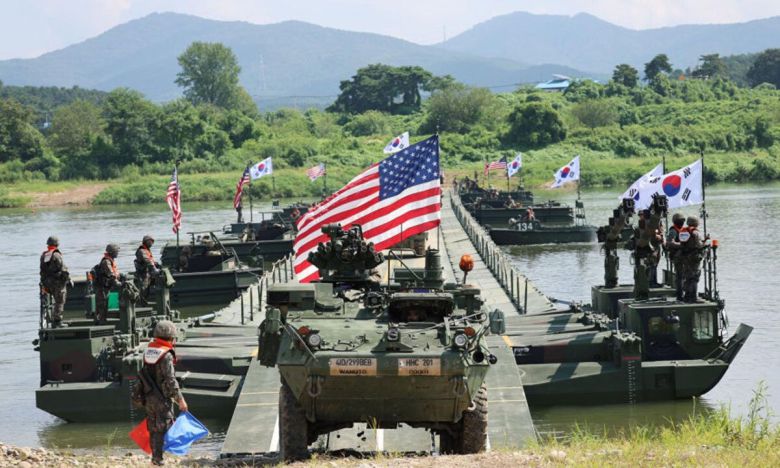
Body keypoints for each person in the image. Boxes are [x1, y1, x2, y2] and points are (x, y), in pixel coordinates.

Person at [141, 320, 188, 466]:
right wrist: (180, 400)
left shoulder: (149, 350)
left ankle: (155, 458)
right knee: (163, 426)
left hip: (148, 395)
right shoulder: (166, 355)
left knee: (154, 425)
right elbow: (170, 380)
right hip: (162, 397)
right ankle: (158, 459)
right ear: (171, 337)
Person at [39, 236, 70, 327]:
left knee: (55, 302)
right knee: (60, 301)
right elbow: (63, 269)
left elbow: (42, 270)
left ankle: (53, 321)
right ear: (57, 244)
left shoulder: (44, 255)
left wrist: (45, 282)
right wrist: (67, 279)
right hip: (57, 283)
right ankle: (57, 322)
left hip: (48, 283)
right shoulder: (56, 254)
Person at [680, 216, 706, 303]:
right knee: (695, 277)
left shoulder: (683, 232)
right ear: (696, 223)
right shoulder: (696, 233)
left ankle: (687, 296)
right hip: (694, 257)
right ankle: (694, 297)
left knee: (687, 276)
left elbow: (682, 244)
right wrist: (705, 243)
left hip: (685, 257)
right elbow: (699, 245)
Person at [94, 244, 121, 324]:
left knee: (103, 304)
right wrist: (117, 282)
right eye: (116, 251)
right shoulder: (106, 261)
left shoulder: (110, 260)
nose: (117, 253)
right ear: (112, 252)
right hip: (102, 287)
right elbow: (111, 273)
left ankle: (100, 320)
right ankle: (101, 322)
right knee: (102, 305)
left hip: (106, 287)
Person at [666, 213, 687, 300]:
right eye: (680, 221)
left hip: (685, 256)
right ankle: (679, 294)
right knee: (680, 276)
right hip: (677, 256)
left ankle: (685, 292)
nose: (681, 222)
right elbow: (669, 243)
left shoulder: (684, 230)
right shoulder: (673, 231)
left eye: (683, 220)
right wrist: (681, 245)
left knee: (685, 276)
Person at [135, 235, 160, 303]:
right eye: (150, 241)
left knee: (147, 289)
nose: (151, 243)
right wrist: (154, 269)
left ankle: (144, 301)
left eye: (152, 242)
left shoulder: (146, 250)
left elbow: (150, 260)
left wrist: (155, 264)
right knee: (143, 289)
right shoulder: (142, 250)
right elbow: (147, 261)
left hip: (148, 273)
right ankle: (140, 303)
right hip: (143, 274)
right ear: (146, 241)